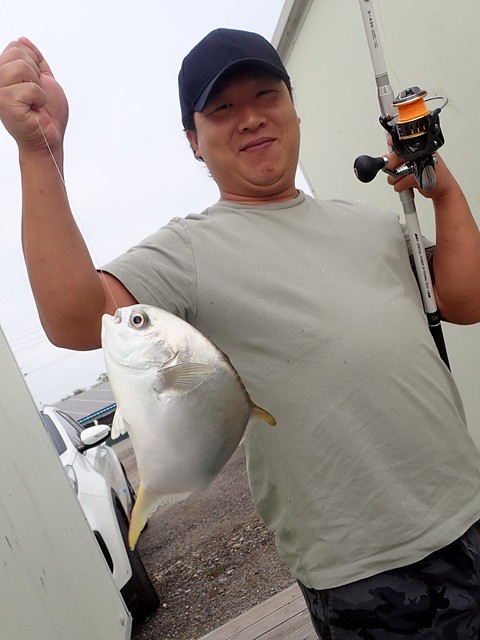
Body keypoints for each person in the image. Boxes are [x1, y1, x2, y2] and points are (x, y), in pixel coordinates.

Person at [1, 27, 480, 638]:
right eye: (223, 108)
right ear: (193, 141)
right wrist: (39, 151)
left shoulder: (372, 225)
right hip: (366, 574)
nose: (251, 117)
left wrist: (445, 193)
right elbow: (73, 319)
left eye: (265, 95)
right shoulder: (187, 250)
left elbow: (466, 300)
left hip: (470, 511)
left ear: (293, 107)